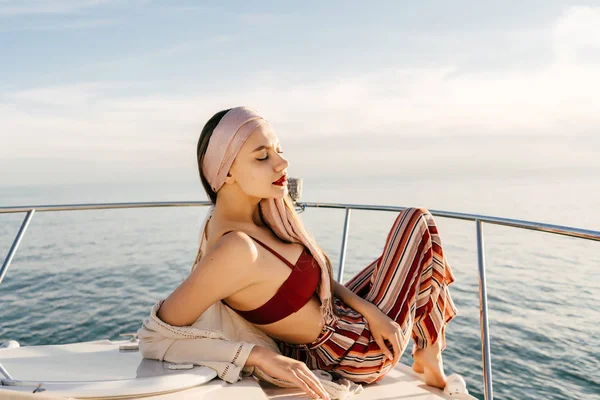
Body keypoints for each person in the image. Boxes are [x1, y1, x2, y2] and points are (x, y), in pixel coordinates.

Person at [156, 106, 457, 400]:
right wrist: (257, 356)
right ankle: (430, 354)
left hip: (346, 323)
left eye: (278, 150)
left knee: (413, 261)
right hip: (357, 353)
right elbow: (157, 336)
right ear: (227, 171)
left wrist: (371, 311)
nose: (282, 164)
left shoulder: (258, 216)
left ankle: (427, 356)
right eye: (262, 156)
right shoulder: (236, 248)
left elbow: (316, 283)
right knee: (417, 222)